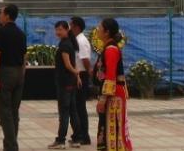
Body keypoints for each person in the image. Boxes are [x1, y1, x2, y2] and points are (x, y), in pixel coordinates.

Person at [0, 4, 26, 151]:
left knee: (5, 112)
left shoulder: (1, 32)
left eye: (1, 13)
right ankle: (9, 145)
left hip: (5, 73)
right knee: (14, 111)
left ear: (7, 16)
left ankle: (12, 146)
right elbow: (24, 56)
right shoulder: (21, 33)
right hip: (18, 73)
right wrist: (22, 74)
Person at [93, 18, 133, 151]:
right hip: (110, 95)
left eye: (100, 27)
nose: (97, 29)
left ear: (107, 32)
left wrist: (103, 99)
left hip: (113, 96)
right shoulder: (108, 48)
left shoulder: (111, 49)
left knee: (113, 131)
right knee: (107, 128)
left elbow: (110, 76)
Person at [47, 21, 82, 149]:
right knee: (73, 111)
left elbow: (68, 65)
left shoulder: (64, 45)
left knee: (64, 113)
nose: (58, 32)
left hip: (64, 83)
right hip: (70, 82)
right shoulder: (69, 43)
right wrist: (76, 76)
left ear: (67, 30)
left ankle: (61, 140)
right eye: (56, 30)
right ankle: (77, 138)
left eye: (60, 29)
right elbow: (73, 63)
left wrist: (76, 73)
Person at [69, 16, 93, 146]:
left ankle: (84, 136)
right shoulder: (76, 39)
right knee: (76, 107)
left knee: (80, 107)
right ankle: (78, 134)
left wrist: (89, 72)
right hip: (77, 74)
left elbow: (85, 59)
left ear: (76, 27)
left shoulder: (81, 41)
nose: (69, 28)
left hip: (81, 75)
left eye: (70, 25)